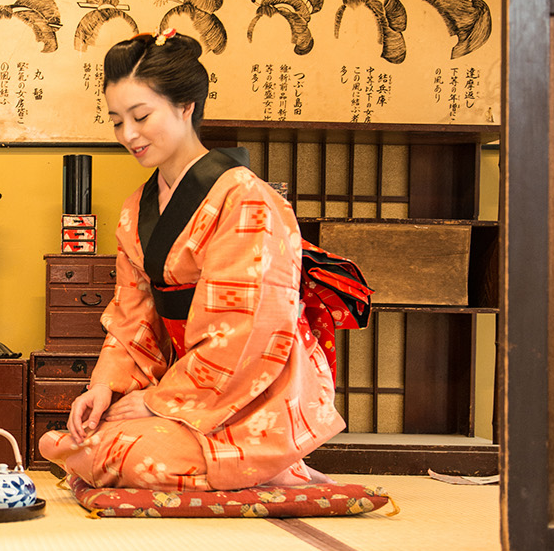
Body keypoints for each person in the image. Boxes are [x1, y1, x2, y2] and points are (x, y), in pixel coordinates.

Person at [39, 25, 344, 492]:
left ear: (186, 106)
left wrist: (157, 401)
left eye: (141, 116)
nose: (129, 134)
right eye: (117, 121)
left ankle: (273, 463)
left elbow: (246, 329)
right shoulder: (136, 209)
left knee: (124, 455)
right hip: (183, 387)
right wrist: (104, 387)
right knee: (85, 440)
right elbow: (132, 315)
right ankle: (204, 457)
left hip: (253, 392)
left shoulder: (245, 199)